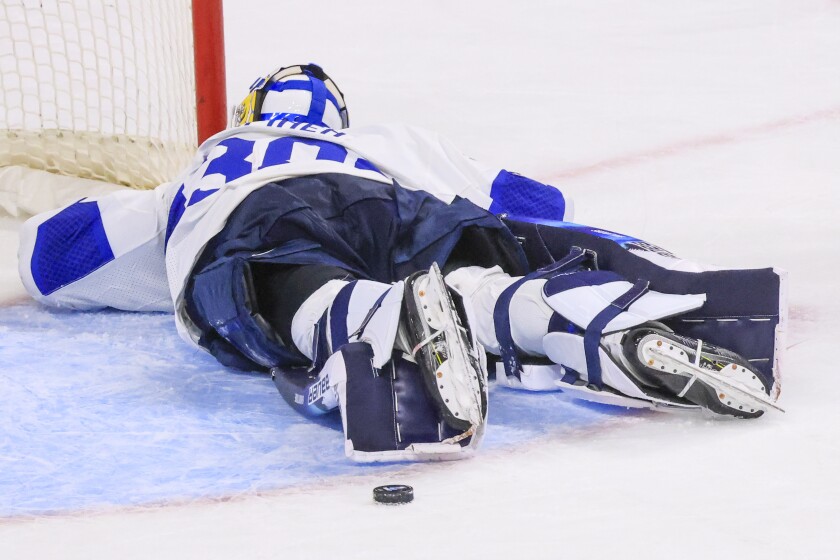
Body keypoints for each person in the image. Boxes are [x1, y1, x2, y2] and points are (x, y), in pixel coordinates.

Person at [17, 64, 785, 463]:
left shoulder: (204, 170)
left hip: (254, 216)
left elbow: (55, 261)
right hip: (384, 198)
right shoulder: (382, 139)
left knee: (287, 291)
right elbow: (536, 202)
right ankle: (561, 315)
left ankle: (385, 317)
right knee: (476, 269)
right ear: (333, 116)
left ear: (249, 114)